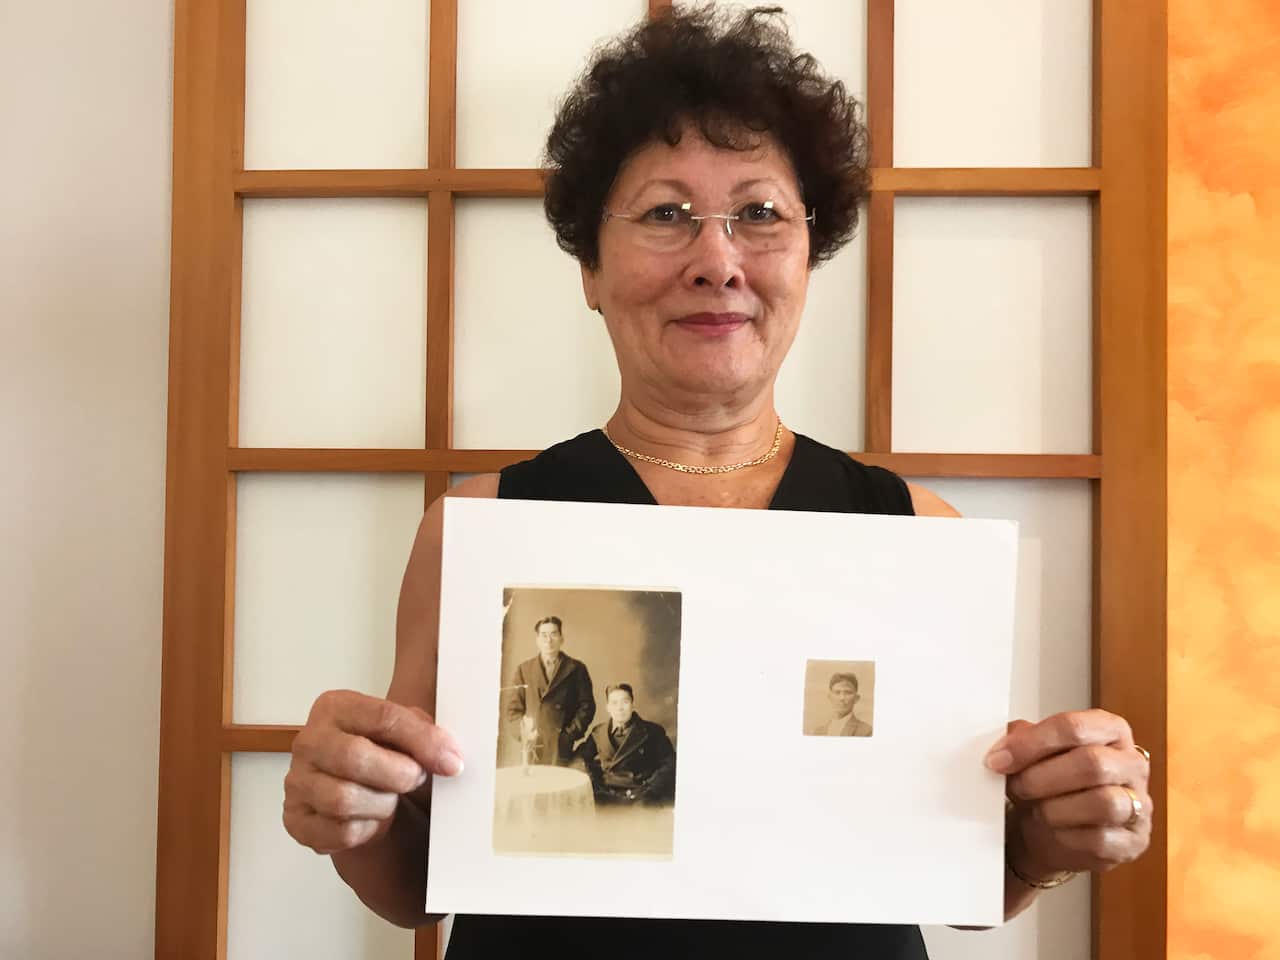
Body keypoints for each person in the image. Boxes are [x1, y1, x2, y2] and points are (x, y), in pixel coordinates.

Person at [282, 7, 1153, 958]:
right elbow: (417, 885)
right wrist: (348, 808)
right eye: (665, 214)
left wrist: (1052, 832)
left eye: (761, 214)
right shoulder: (484, 525)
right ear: (590, 267)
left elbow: (962, 875)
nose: (717, 261)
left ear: (809, 259)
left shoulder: (913, 532)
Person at [502, 616, 595, 767]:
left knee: (558, 786)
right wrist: (525, 735)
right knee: (532, 787)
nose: (549, 640)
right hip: (532, 745)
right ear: (537, 640)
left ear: (561, 638)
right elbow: (513, 710)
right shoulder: (524, 670)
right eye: (544, 635)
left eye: (553, 634)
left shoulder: (577, 668)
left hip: (560, 746)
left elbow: (587, 706)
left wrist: (568, 735)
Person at [575, 683, 676, 806]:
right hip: (606, 794)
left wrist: (650, 790)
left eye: (625, 702)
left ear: (633, 705)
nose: (620, 708)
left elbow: (670, 764)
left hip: (639, 794)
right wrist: (594, 783)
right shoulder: (598, 732)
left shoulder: (652, 731)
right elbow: (579, 758)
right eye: (614, 703)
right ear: (608, 708)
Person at [810, 671, 872, 737]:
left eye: (848, 692)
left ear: (856, 698)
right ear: (830, 697)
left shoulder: (866, 731)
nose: (842, 698)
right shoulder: (818, 732)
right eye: (837, 692)